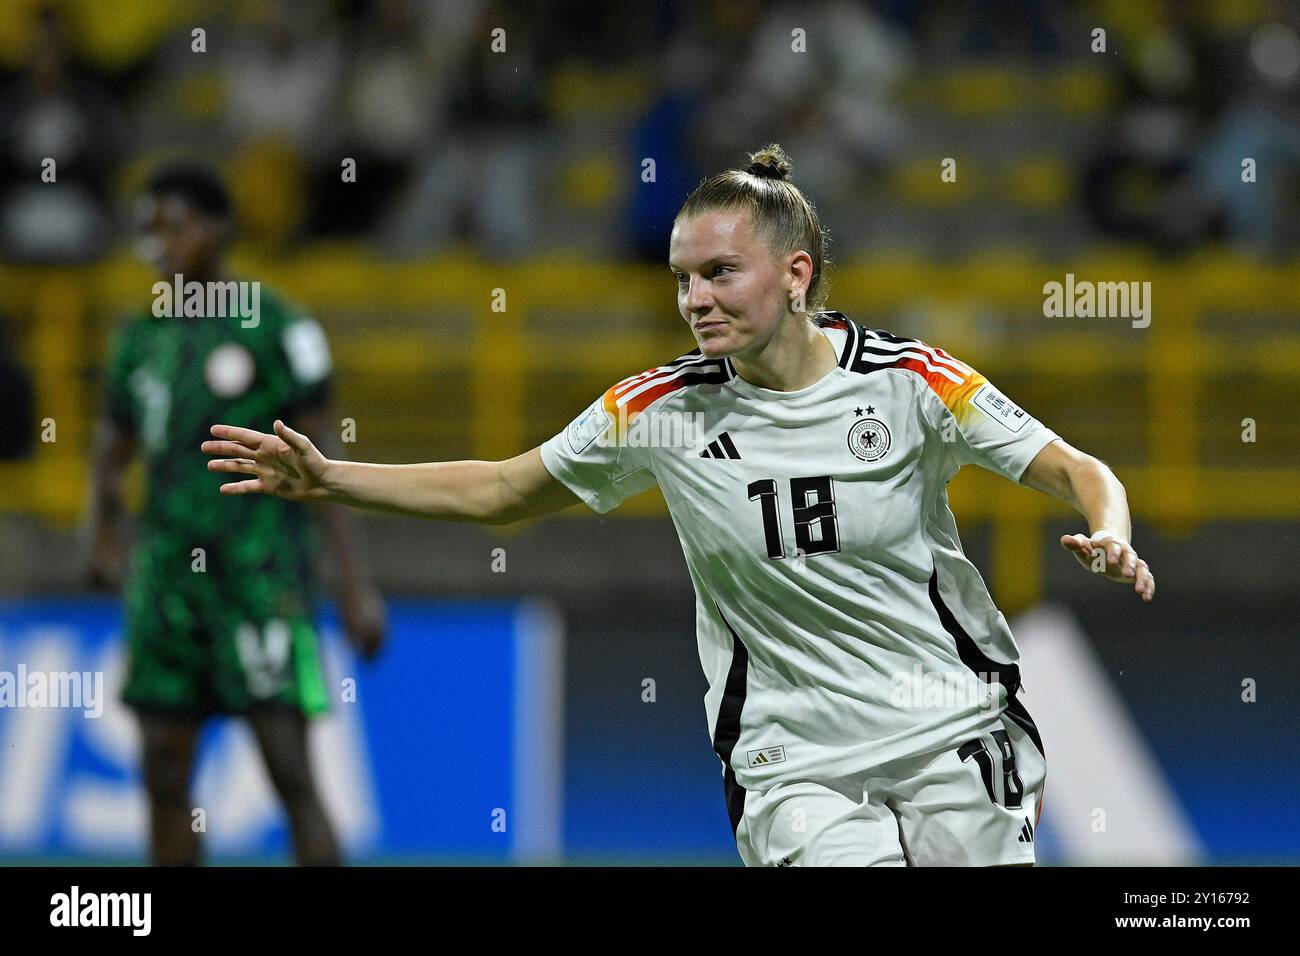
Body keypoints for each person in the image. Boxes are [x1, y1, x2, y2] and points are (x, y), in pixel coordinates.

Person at [202, 144, 1154, 867]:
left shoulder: (912, 383)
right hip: (796, 758)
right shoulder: (661, 410)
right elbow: (502, 487)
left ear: (796, 274)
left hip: (951, 729)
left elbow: (1076, 468)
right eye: (682, 280)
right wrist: (332, 479)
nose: (695, 300)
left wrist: (1108, 530)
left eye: (720, 274)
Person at [86, 162, 386, 866]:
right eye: (148, 231)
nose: (159, 245)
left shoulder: (278, 325)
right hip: (166, 579)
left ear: (218, 228)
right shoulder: (138, 337)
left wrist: (353, 586)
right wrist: (99, 531)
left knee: (290, 771)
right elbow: (112, 445)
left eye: (174, 226)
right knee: (164, 772)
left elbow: (325, 458)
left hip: (259, 574)